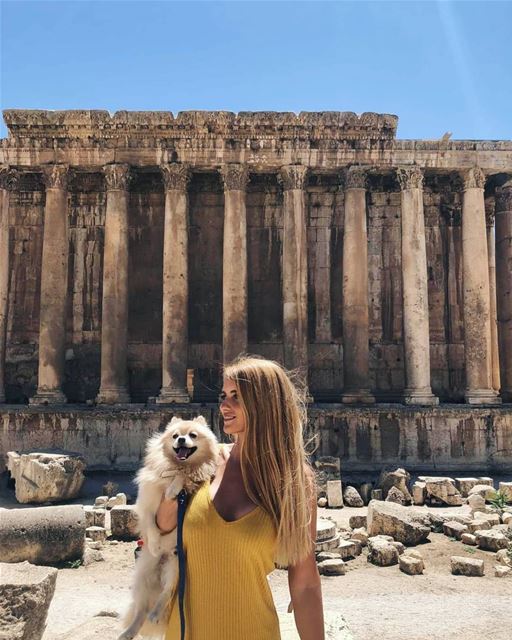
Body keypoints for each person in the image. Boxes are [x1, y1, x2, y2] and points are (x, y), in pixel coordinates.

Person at [156, 354, 325, 640]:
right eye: (224, 395)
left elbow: (305, 583)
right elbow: (161, 526)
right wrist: (179, 478)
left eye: (236, 396)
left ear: (265, 402)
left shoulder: (295, 482)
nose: (224, 405)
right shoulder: (202, 461)